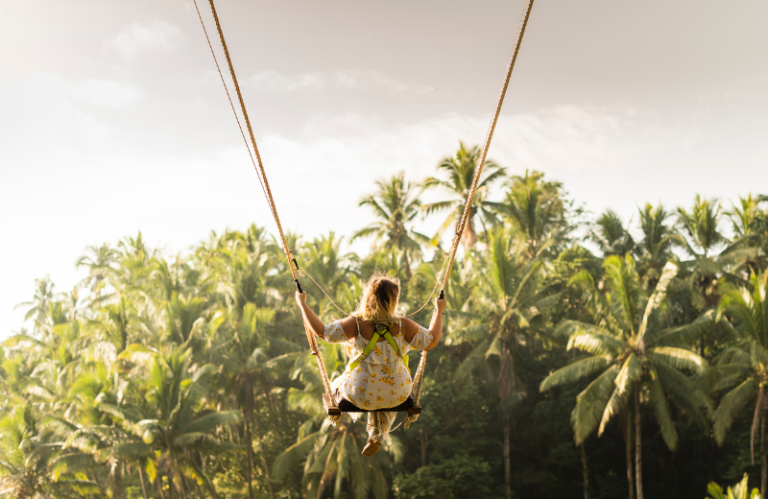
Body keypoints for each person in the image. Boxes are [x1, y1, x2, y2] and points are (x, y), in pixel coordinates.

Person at [295, 273, 446, 456]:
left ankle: (333, 406)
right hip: (398, 393)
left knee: (339, 384)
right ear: (392, 301)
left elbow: (322, 332)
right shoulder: (403, 325)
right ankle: (378, 435)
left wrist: (303, 304)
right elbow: (431, 341)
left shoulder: (357, 324)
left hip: (360, 392)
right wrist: (439, 311)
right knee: (385, 395)